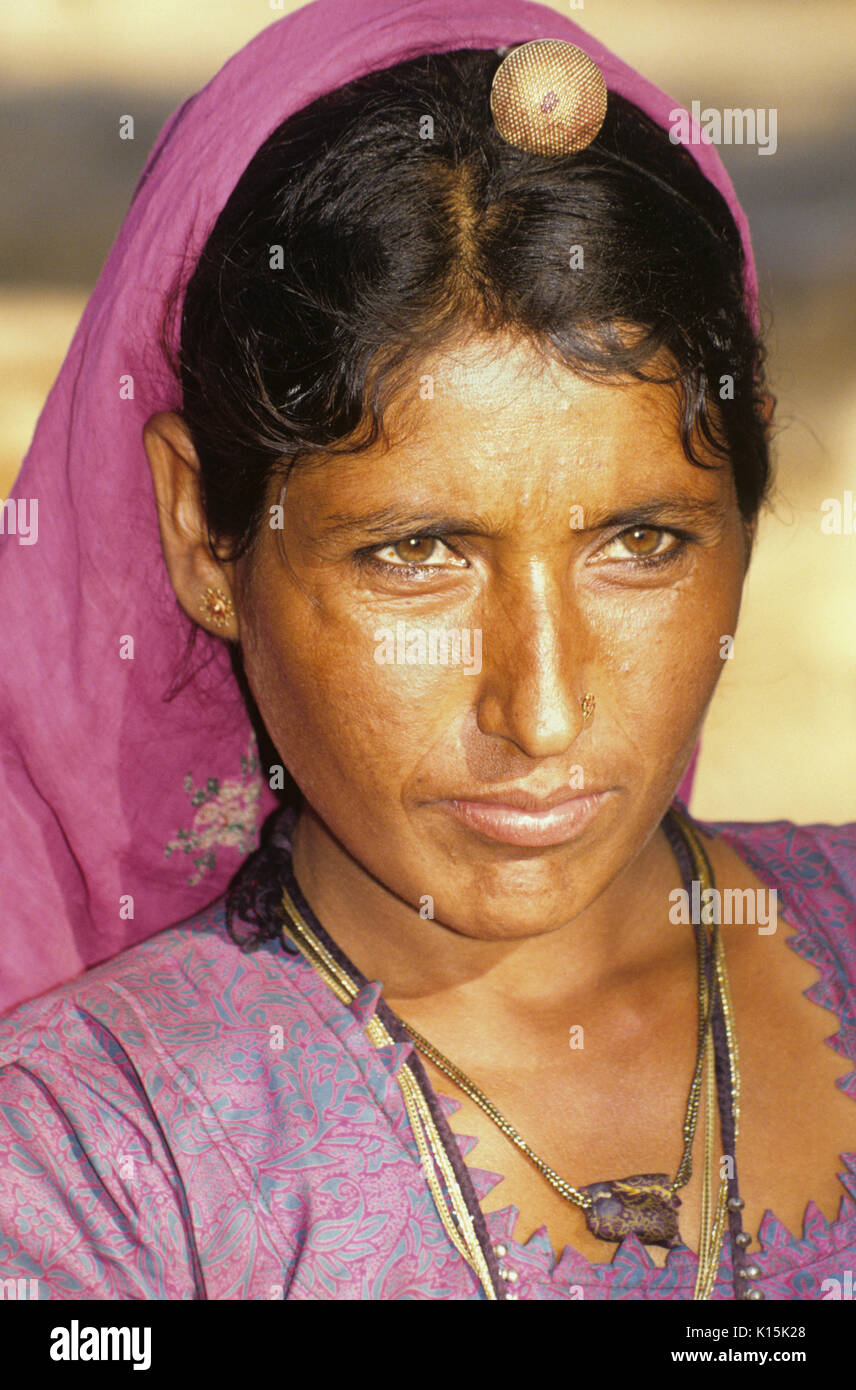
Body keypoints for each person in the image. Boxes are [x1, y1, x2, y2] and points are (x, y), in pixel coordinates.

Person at [0, 0, 853, 1302]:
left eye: (640, 540)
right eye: (416, 554)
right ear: (202, 533)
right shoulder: (95, 1172)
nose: (547, 710)